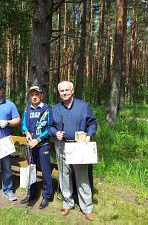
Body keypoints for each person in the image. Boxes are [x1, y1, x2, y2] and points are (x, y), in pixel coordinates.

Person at [50, 81, 97, 221]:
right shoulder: (55, 109)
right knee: (64, 176)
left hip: (79, 146)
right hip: (62, 146)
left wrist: (89, 135)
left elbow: (93, 123)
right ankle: (67, 203)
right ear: (59, 93)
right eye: (61, 91)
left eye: (66, 90)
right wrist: (55, 133)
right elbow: (50, 126)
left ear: (72, 91)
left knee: (82, 177)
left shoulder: (83, 106)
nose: (64, 93)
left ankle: (87, 208)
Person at [20, 85, 53, 209]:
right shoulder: (27, 109)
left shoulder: (47, 109)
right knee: (31, 170)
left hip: (43, 145)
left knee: (45, 172)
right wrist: (27, 133)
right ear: (29, 96)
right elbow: (23, 125)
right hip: (31, 146)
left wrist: (38, 139)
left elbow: (49, 128)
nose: (34, 97)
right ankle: (32, 193)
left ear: (41, 96)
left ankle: (47, 195)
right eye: (32, 95)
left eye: (37, 94)